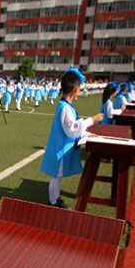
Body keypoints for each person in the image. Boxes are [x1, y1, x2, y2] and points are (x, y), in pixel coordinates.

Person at [39, 68, 104, 208]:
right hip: (61, 149)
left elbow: (74, 128)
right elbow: (72, 130)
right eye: (80, 86)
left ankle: (54, 199)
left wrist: (87, 134)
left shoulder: (66, 107)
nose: (80, 89)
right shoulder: (65, 108)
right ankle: (53, 202)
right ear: (75, 89)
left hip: (61, 147)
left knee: (57, 176)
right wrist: (92, 119)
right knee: (56, 176)